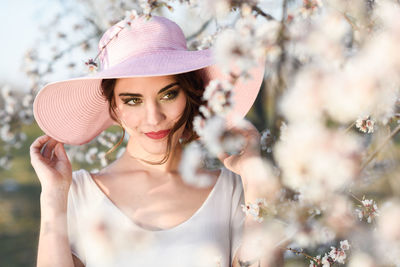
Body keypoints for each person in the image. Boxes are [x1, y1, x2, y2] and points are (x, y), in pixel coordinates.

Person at [30, 15, 265, 267]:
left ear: (190, 95)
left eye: (169, 95)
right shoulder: (79, 194)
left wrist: (255, 179)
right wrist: (53, 196)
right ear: (115, 108)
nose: (153, 118)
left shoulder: (232, 191)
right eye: (133, 100)